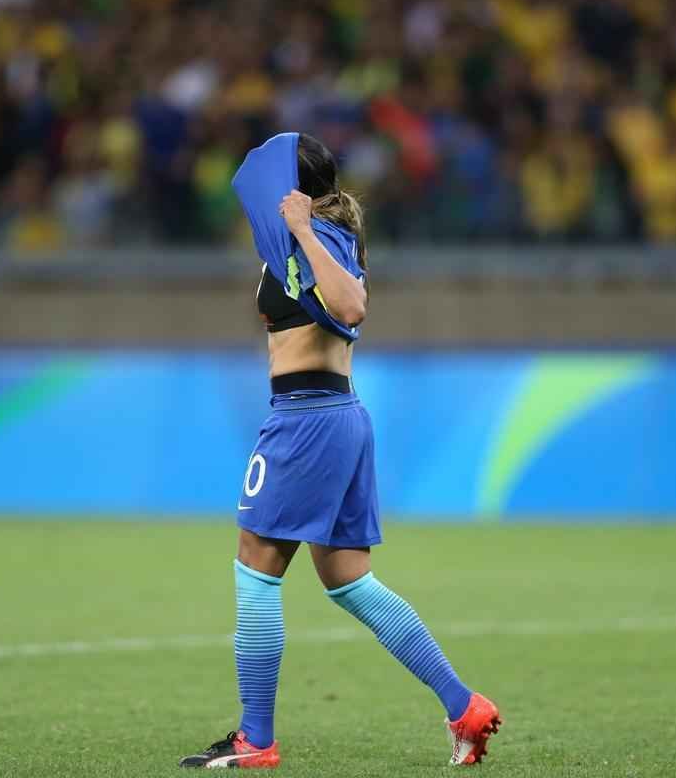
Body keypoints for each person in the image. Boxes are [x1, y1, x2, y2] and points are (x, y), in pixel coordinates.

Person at [179, 133, 500, 769]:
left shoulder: (317, 234)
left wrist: (301, 227)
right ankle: (464, 707)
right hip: (334, 415)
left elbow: (351, 306)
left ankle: (255, 739)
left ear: (292, 189)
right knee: (348, 580)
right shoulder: (309, 239)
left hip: (306, 420)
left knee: (255, 567)